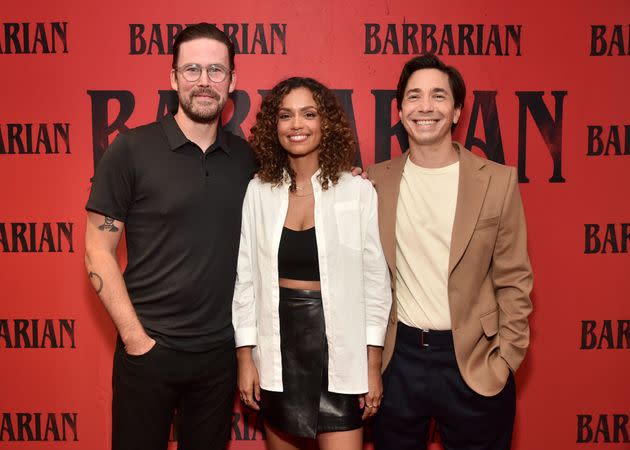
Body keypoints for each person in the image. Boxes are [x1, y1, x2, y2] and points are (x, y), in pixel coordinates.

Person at [84, 23, 258, 450]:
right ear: (173, 77)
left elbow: (301, 194)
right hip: (148, 351)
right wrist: (135, 338)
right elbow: (97, 250)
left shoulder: (246, 159)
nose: (204, 81)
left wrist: (347, 182)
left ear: (232, 81)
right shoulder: (130, 150)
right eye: (192, 69)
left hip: (218, 355)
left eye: (216, 71)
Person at [369, 53, 533, 450]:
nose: (426, 107)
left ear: (457, 110)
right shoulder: (373, 182)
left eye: (438, 96)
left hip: (476, 364)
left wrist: (505, 358)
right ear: (400, 109)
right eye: (414, 96)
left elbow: (515, 279)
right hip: (398, 362)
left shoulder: (496, 181)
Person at [232, 77, 392, 450]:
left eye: (308, 114)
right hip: (278, 348)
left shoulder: (357, 192)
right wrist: (245, 357)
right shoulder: (258, 192)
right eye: (286, 116)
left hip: (341, 349)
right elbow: (246, 282)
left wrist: (371, 365)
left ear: (326, 123)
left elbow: (375, 285)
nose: (297, 125)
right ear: (275, 127)